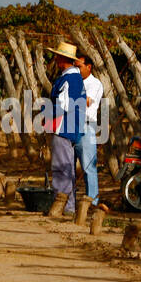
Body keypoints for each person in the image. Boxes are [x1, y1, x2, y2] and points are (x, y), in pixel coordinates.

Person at [47, 41, 85, 214]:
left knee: (61, 167)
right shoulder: (77, 78)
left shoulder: (68, 79)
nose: (55, 59)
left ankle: (64, 206)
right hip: (72, 127)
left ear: (63, 59)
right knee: (67, 166)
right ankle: (68, 205)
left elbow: (64, 105)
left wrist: (45, 111)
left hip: (63, 127)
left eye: (57, 56)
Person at [76, 52, 104, 209]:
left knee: (88, 166)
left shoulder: (95, 84)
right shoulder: (73, 82)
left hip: (86, 125)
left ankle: (92, 202)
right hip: (70, 124)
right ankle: (69, 203)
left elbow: (86, 102)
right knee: (68, 166)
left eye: (79, 66)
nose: (77, 69)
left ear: (89, 67)